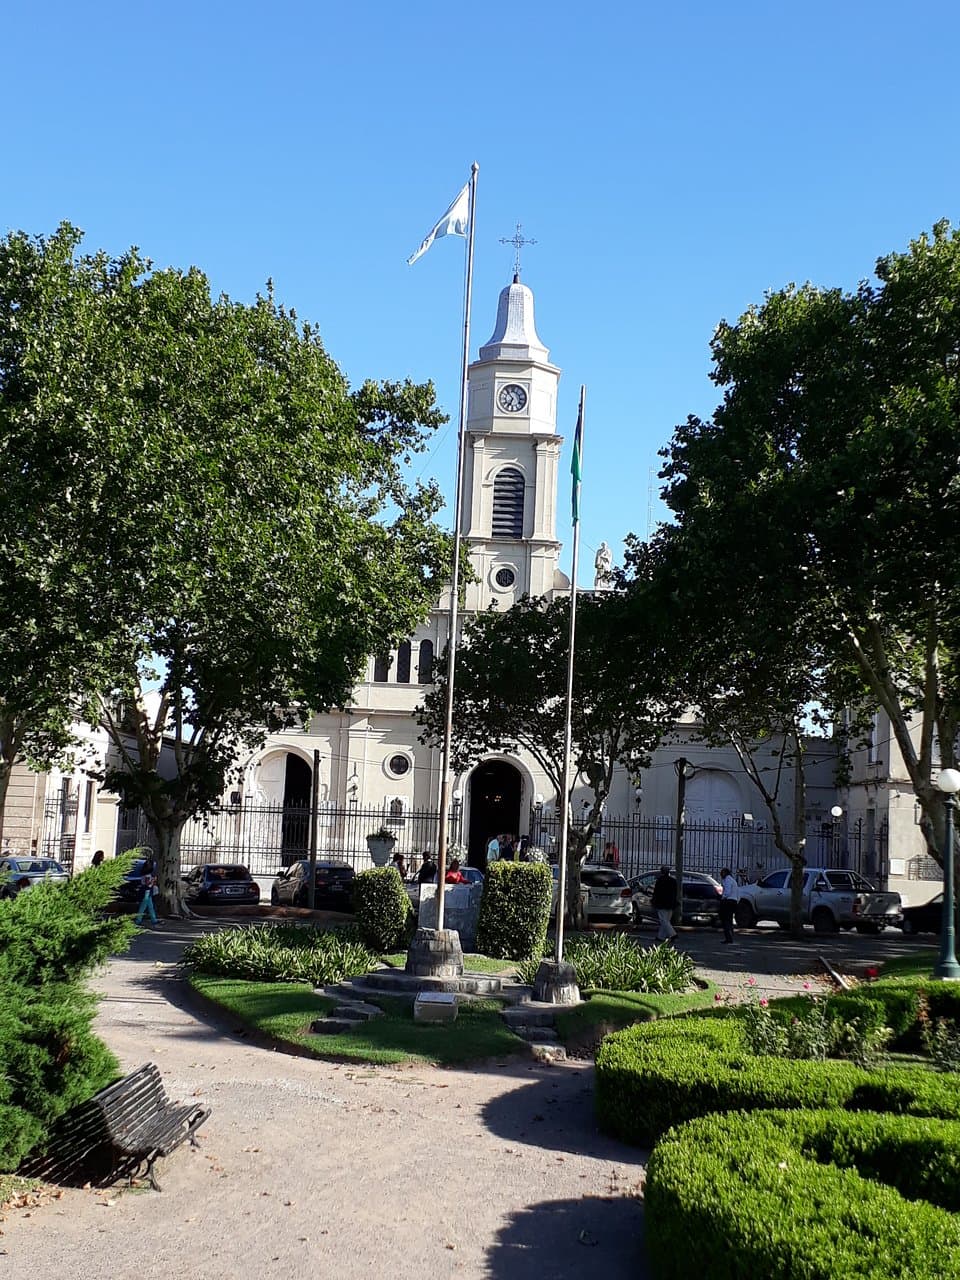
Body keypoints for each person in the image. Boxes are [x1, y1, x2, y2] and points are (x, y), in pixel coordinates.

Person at [651, 866, 677, 941]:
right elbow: (675, 892)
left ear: (661, 872)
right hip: (671, 903)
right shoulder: (673, 881)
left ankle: (673, 934)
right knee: (666, 920)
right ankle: (661, 936)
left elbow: (656, 892)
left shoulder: (660, 880)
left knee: (663, 920)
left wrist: (654, 901)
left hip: (661, 903)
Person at [134, 857, 160, 927]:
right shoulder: (148, 875)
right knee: (144, 906)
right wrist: (153, 880)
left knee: (150, 906)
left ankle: (153, 919)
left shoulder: (143, 874)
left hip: (146, 891)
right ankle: (138, 920)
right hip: (147, 891)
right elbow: (148, 884)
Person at [718, 866, 740, 944]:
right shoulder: (733, 880)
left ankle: (728, 938)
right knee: (729, 920)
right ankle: (730, 937)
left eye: (722, 873)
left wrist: (722, 898)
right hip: (734, 901)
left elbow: (727, 891)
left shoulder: (727, 880)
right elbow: (737, 893)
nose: (721, 875)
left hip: (728, 901)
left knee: (726, 920)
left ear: (725, 873)